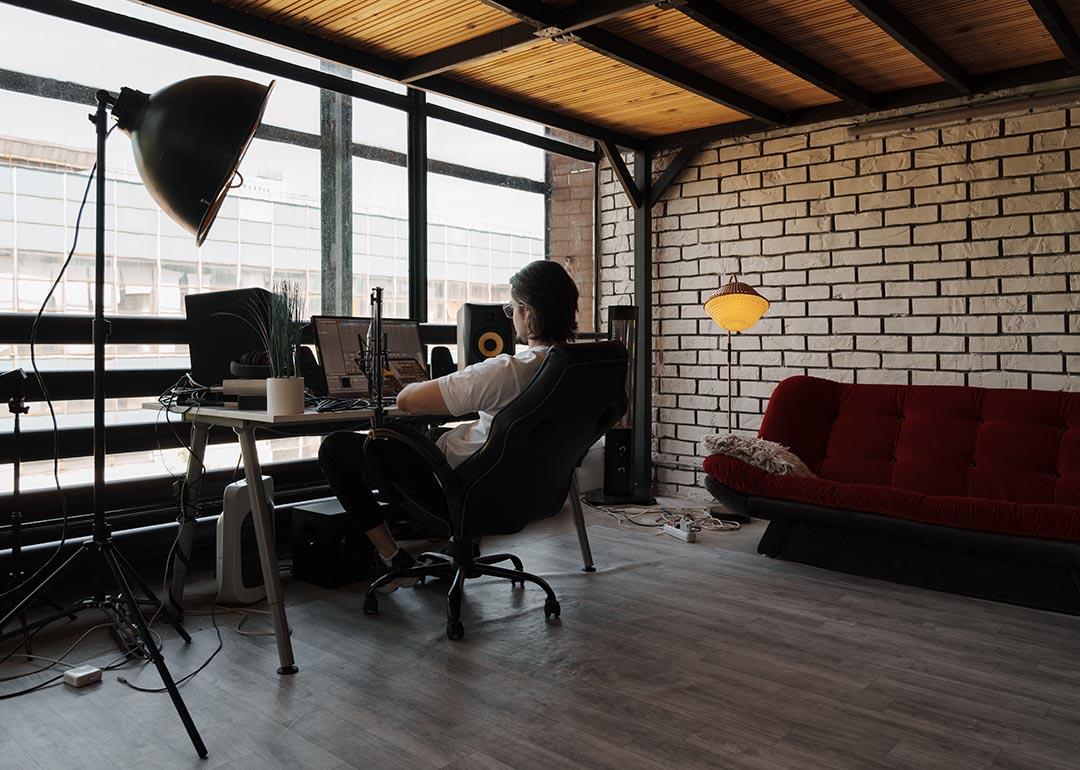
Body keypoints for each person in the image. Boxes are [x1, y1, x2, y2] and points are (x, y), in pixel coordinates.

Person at [318, 260, 579, 592]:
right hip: (528, 492)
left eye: (511, 307)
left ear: (528, 312)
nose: (510, 315)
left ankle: (393, 558)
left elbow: (408, 401)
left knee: (335, 448)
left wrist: (410, 380)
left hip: (457, 484)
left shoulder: (509, 370)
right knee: (431, 435)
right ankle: (458, 546)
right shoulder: (576, 370)